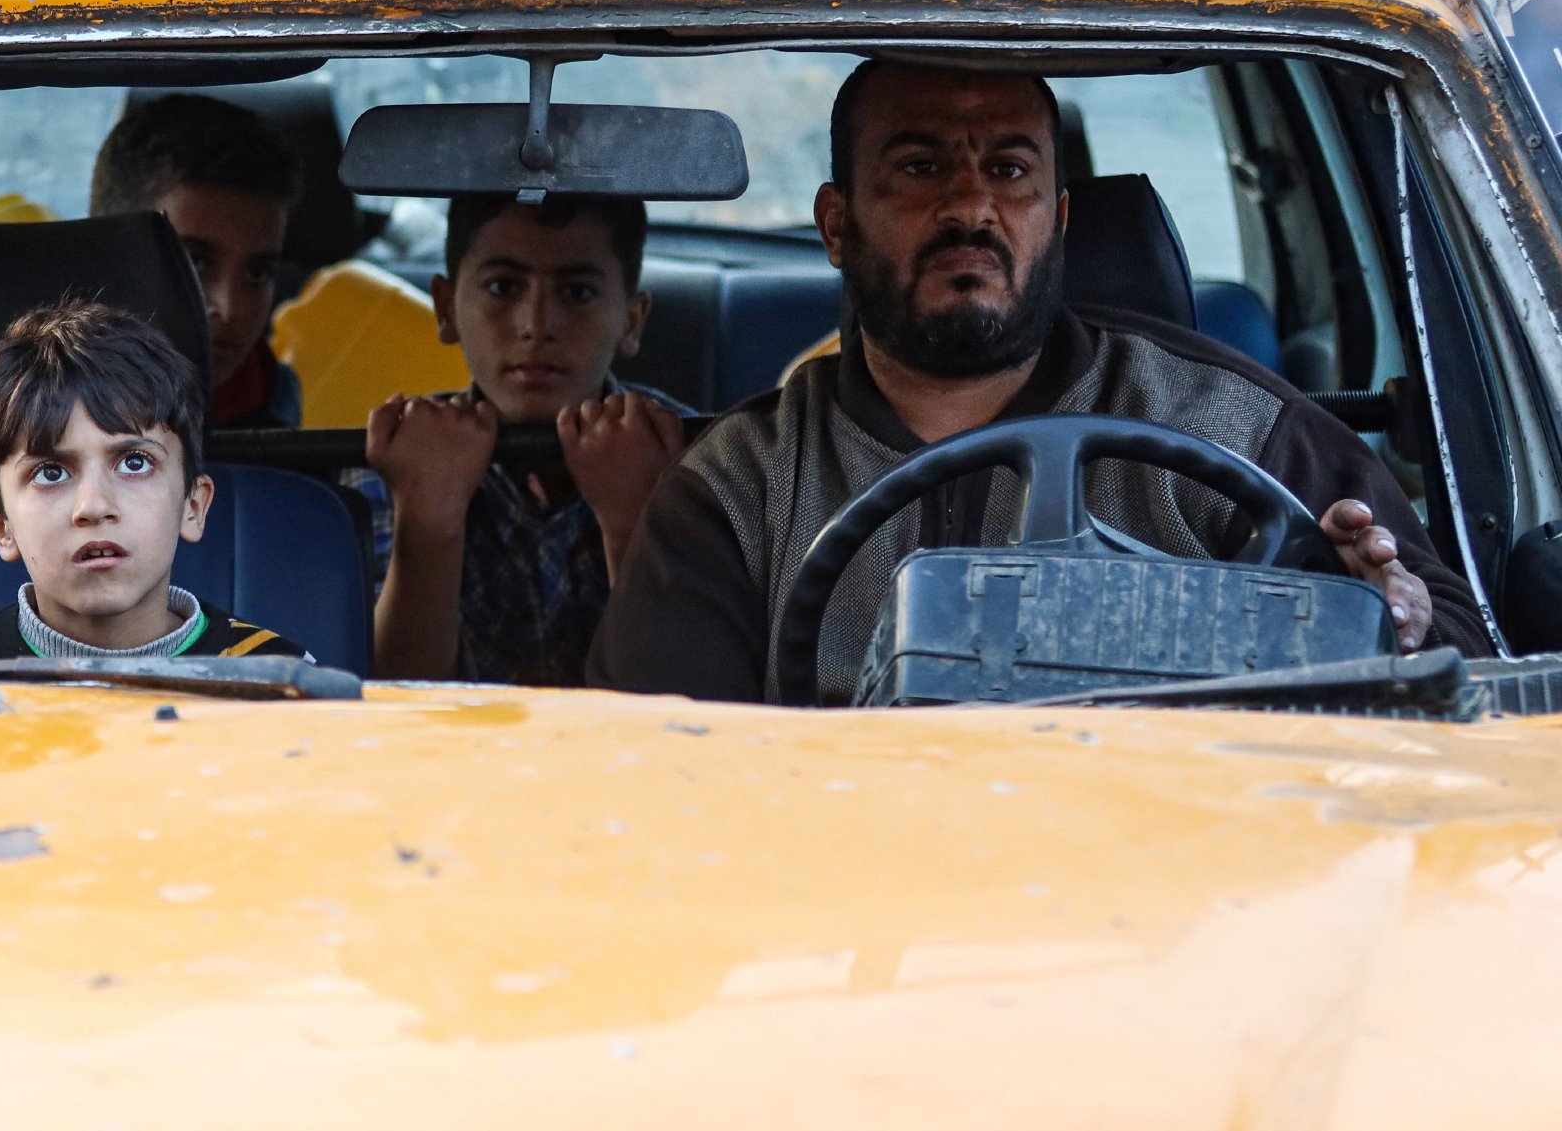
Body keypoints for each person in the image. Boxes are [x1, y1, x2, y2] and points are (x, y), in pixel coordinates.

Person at [588, 61, 1489, 704]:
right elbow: (664, 773)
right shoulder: (740, 483)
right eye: (920, 167)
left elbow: (1462, 650)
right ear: (835, 223)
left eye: (1009, 171)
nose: (971, 207)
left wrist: (1395, 624)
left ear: (1057, 219)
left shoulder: (1231, 422)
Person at [352, 194, 687, 685]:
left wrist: (635, 525)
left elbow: (690, 700)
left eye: (577, 293)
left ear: (631, 321)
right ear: (445, 307)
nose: (536, 325)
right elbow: (396, 698)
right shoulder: (398, 461)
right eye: (502, 287)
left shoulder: (693, 459)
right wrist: (426, 519)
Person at [0, 300, 304, 663]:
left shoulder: (282, 686)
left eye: (134, 463)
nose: (93, 506)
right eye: (51, 473)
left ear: (192, 506)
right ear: (1, 526)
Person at [90, 94, 302, 428]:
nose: (230, 308)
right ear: (107, 255)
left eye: (258, 273)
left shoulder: (272, 397)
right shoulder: (13, 401)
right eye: (194, 263)